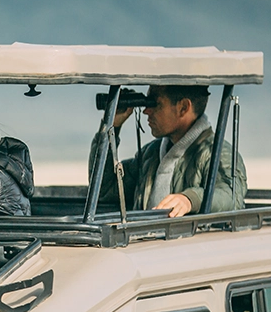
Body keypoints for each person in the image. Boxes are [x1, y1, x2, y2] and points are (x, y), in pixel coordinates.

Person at [90, 85, 247, 218]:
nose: (146, 111)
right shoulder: (150, 154)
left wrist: (189, 200)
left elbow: (231, 196)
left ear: (183, 108)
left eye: (155, 104)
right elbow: (104, 189)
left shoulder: (216, 154)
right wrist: (112, 127)